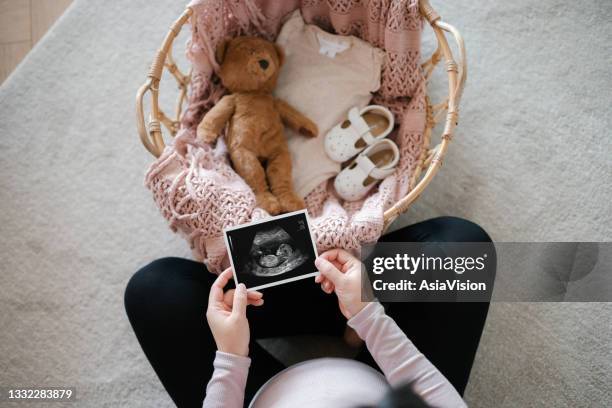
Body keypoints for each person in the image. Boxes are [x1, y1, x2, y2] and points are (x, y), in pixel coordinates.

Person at [125, 217, 494, 407]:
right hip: (382, 377)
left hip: (255, 390)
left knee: (154, 290)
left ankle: (332, 304)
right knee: (463, 251)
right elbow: (427, 393)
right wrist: (368, 316)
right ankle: (342, 313)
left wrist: (230, 358)